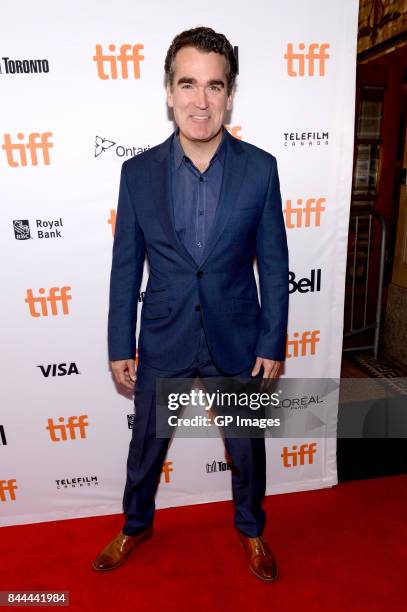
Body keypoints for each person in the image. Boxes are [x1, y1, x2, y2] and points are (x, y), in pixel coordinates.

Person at [93, 26, 289, 583]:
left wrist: (272, 341)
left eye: (213, 86)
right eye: (188, 85)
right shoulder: (137, 174)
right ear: (169, 91)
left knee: (246, 449)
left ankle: (252, 531)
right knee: (145, 448)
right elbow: (125, 266)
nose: (200, 101)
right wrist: (118, 343)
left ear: (229, 94)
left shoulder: (261, 169)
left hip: (237, 339)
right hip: (164, 335)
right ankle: (134, 525)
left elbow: (274, 264)